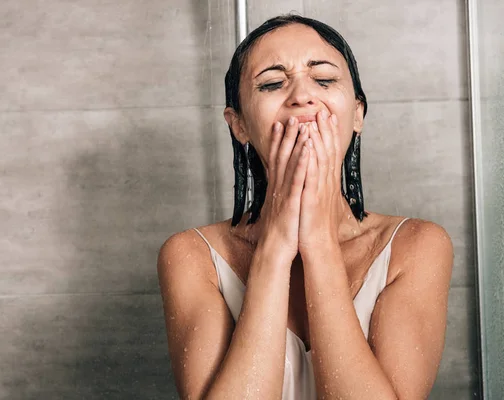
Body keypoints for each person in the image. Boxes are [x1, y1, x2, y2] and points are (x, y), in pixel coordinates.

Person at [157, 14, 453, 400]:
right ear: (239, 124)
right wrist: (276, 246)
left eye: (324, 79)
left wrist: (318, 243)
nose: (302, 95)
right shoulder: (190, 255)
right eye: (273, 83)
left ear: (358, 113)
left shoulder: (417, 246)